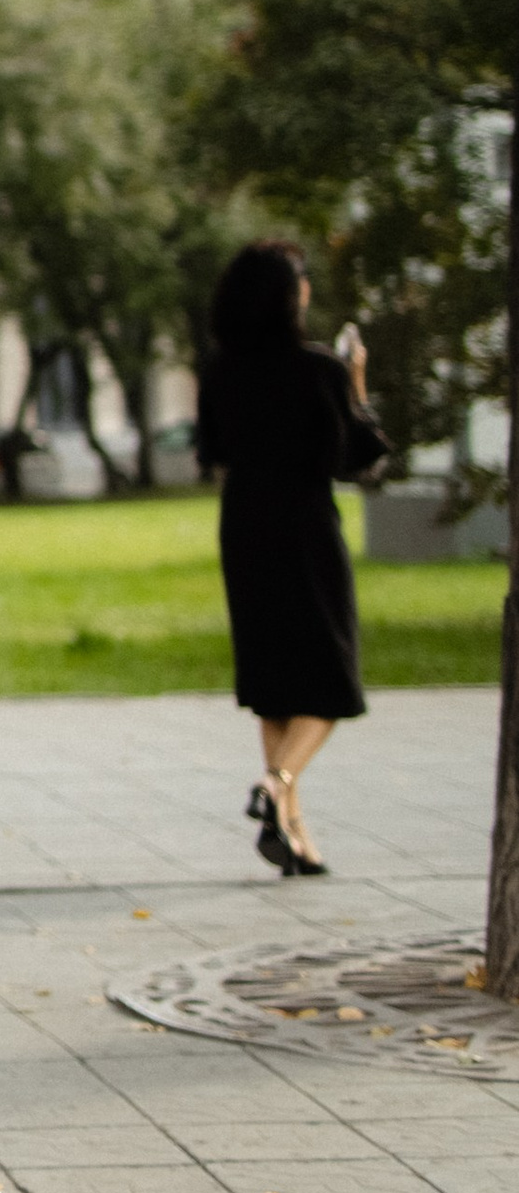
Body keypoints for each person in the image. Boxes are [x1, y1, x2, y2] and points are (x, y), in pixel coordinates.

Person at [197, 239, 389, 879]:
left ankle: (296, 836)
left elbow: (212, 449)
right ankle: (276, 784)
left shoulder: (219, 371)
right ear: (287, 297)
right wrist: (356, 385)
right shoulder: (318, 370)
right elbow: (358, 459)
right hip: (304, 524)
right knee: (331, 678)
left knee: (274, 680)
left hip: (244, 524)